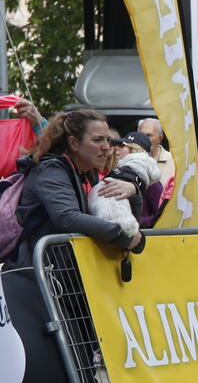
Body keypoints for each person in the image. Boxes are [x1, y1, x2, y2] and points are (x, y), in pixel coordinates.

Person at [6, 109, 145, 270]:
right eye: (97, 140)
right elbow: (67, 217)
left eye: (108, 140)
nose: (106, 147)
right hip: (35, 273)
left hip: (66, 272)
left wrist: (133, 191)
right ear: (74, 143)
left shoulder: (88, 171)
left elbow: (116, 216)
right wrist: (124, 236)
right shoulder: (50, 170)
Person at [137, 118, 175, 185]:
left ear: (160, 138)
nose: (144, 139)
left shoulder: (174, 161)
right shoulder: (130, 160)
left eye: (148, 135)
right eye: (141, 135)